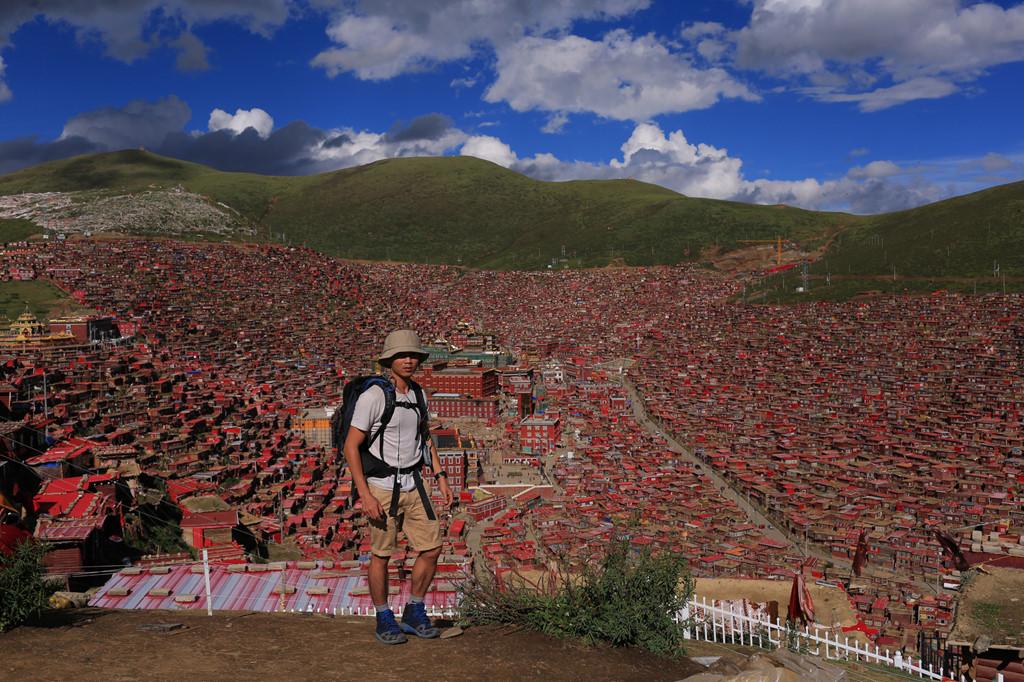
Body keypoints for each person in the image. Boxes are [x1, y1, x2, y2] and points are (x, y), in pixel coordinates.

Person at [343, 329, 454, 645]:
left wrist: (441, 475)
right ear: (389, 360)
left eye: (413, 355)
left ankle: (414, 609)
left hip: (414, 484)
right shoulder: (375, 396)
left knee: (432, 548)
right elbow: (352, 446)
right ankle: (383, 616)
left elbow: (425, 436)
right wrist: (364, 494)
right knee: (381, 555)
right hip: (380, 486)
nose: (408, 360)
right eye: (402, 355)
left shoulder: (418, 394)